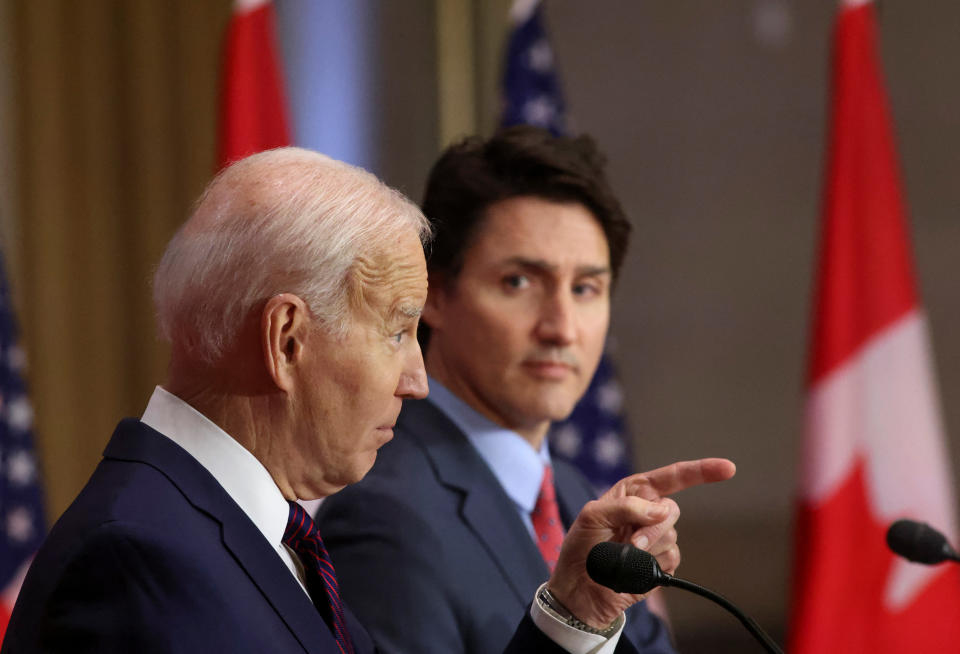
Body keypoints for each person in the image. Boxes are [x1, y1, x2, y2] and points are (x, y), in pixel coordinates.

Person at [1, 146, 734, 654]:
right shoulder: (138, 557)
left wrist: (575, 614)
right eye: (396, 332)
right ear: (287, 339)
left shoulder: (254, 532)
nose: (416, 378)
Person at [315, 127, 722, 654]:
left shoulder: (579, 500)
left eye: (585, 289)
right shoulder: (383, 513)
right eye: (519, 282)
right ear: (431, 295)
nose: (561, 327)